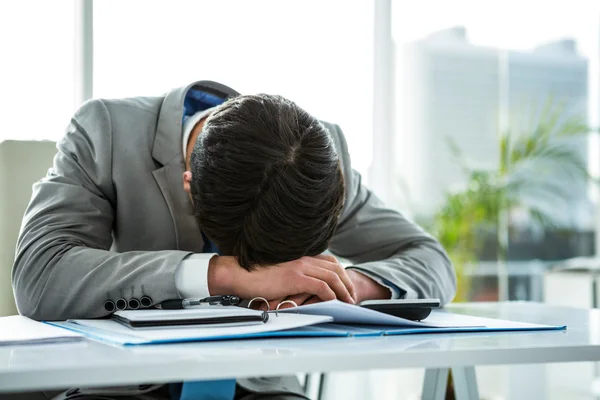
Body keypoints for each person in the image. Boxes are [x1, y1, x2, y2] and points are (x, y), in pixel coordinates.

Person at [10, 80, 456, 400]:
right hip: (121, 383)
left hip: (262, 384)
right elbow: (40, 275)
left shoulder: (318, 159)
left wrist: (348, 285)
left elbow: (430, 260)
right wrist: (224, 274)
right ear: (189, 184)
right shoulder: (105, 130)